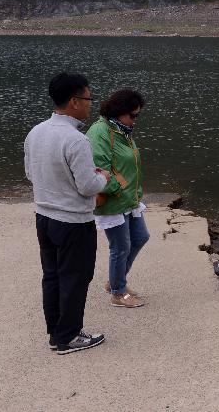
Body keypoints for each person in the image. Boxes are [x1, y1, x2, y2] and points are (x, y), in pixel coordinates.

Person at [24, 72, 109, 355]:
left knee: (52, 276)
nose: (90, 105)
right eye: (88, 99)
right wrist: (103, 178)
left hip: (44, 217)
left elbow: (30, 173)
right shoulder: (75, 140)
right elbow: (87, 187)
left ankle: (56, 332)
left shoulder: (36, 132)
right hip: (73, 221)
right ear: (74, 101)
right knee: (75, 277)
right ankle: (69, 337)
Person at [87, 89, 149, 309]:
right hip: (113, 201)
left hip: (129, 200)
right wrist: (120, 188)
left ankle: (115, 281)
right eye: (132, 115)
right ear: (119, 111)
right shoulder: (100, 132)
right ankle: (118, 293)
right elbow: (98, 168)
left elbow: (128, 165)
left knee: (141, 237)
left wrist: (135, 190)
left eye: (137, 116)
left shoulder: (122, 130)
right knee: (120, 246)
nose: (135, 120)